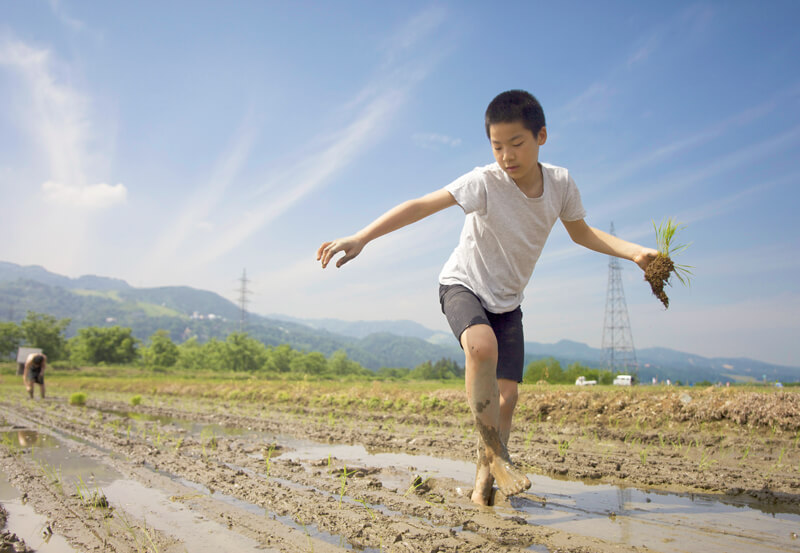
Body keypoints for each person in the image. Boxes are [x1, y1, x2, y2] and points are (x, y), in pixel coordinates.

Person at [317, 90, 657, 506]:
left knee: (508, 397)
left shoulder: (561, 184)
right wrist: (362, 236)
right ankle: (496, 452)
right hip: (463, 284)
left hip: (508, 300)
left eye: (517, 144)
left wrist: (637, 252)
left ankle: (485, 482)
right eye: (497, 147)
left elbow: (582, 233)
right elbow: (422, 204)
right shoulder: (484, 181)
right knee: (481, 346)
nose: (507, 156)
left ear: (541, 137)